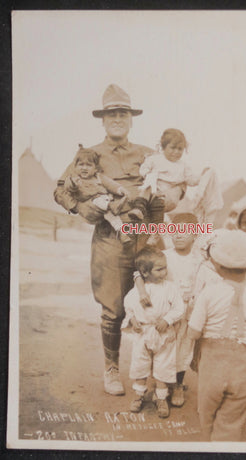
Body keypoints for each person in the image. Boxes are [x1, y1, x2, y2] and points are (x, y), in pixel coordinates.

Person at [54, 84, 164, 396]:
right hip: (108, 238)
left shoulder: (148, 154)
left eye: (123, 113)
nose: (117, 118)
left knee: (155, 304)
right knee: (113, 308)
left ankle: (157, 374)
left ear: (131, 119)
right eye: (111, 114)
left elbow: (167, 189)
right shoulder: (88, 156)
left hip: (146, 237)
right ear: (102, 120)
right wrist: (81, 207)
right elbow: (61, 189)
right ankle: (112, 368)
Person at [187, 229, 246, 441]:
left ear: (217, 265)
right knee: (231, 422)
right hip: (244, 366)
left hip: (213, 366)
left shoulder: (210, 292)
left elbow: (194, 333)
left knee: (207, 415)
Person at [121, 247, 184, 418]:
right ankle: (139, 395)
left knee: (163, 365)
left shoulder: (170, 288)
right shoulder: (137, 292)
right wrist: (133, 321)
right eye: (159, 269)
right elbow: (129, 308)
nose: (164, 272)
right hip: (143, 334)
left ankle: (161, 397)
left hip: (163, 334)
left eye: (165, 267)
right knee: (140, 364)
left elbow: (179, 308)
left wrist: (167, 320)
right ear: (145, 272)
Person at [63, 144, 131, 244]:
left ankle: (122, 233)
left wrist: (120, 190)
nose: (84, 168)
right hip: (90, 202)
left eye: (88, 165)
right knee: (101, 203)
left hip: (104, 202)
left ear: (95, 168)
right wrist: (73, 184)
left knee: (112, 217)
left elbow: (110, 184)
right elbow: (68, 187)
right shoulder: (75, 179)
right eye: (81, 165)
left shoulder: (98, 177)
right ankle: (112, 206)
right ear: (75, 167)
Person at [129, 128, 200, 220]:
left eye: (180, 149)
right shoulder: (155, 159)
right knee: (145, 191)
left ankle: (157, 228)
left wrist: (200, 178)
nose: (176, 152)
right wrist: (148, 175)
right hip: (153, 187)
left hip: (167, 194)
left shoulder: (183, 166)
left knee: (158, 206)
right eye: (173, 148)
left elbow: (190, 179)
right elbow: (144, 168)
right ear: (163, 147)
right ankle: (138, 209)